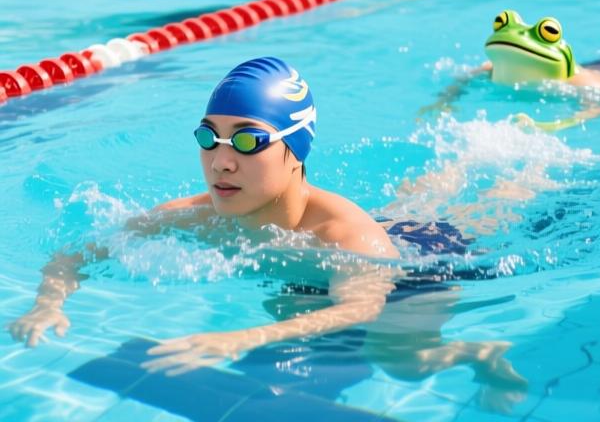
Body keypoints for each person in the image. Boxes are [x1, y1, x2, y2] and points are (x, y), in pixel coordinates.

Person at [8, 56, 527, 403]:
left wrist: (237, 338)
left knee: (402, 363)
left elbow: (361, 307)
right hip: (328, 262)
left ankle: (519, 184)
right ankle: (460, 165)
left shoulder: (343, 234)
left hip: (415, 266)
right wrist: (48, 303)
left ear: (295, 150)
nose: (222, 161)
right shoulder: (201, 213)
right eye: (209, 137)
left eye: (249, 141)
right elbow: (82, 251)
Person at [422, 7, 600, 130]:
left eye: (546, 32)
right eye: (501, 23)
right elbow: (465, 77)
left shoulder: (576, 83)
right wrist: (444, 102)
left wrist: (547, 126)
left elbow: (597, 108)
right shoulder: (491, 67)